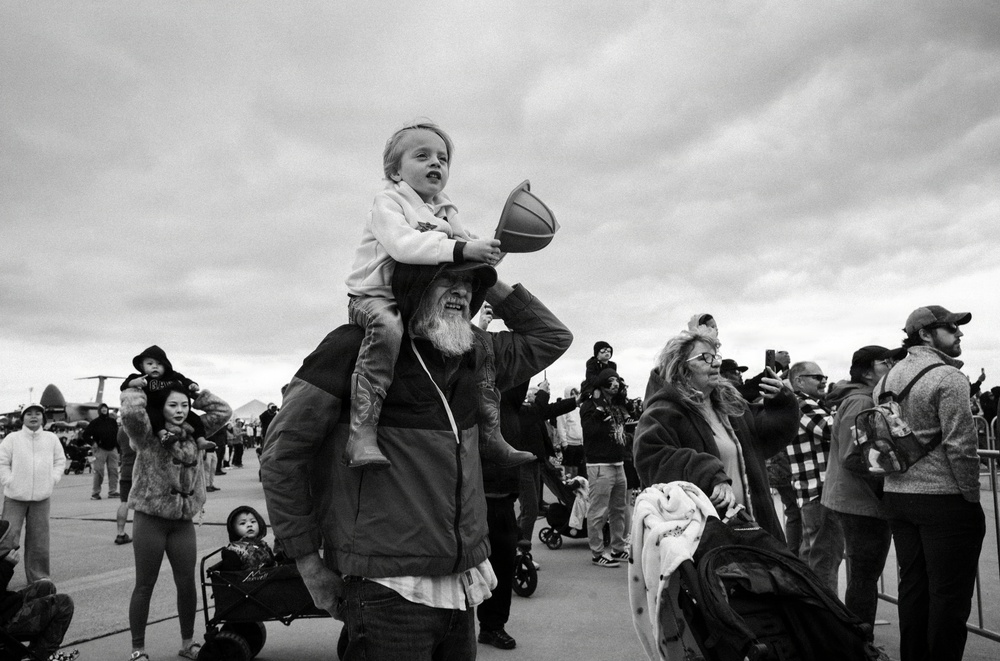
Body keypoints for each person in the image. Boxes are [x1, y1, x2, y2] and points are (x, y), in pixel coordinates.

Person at [261, 259, 571, 661]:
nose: (461, 291)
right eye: (447, 279)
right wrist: (306, 561)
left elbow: (552, 336)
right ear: (411, 286)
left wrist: (483, 271)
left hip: (461, 583)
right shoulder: (352, 347)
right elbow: (282, 456)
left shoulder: (475, 353)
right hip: (385, 588)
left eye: (468, 285)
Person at [342, 119, 531, 472]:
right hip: (374, 298)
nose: (436, 164)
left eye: (442, 159)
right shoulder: (389, 202)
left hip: (417, 299)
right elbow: (404, 246)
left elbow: (464, 244)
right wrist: (463, 249)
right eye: (422, 156)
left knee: (481, 344)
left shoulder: (444, 209)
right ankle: (362, 430)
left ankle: (491, 433)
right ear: (395, 171)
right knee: (387, 329)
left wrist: (493, 248)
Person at [878, 306, 985, 661]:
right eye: (951, 328)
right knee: (950, 597)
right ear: (925, 334)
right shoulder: (949, 377)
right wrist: (971, 496)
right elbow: (960, 445)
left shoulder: (888, 378)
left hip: (897, 495)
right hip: (944, 499)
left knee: (914, 588)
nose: (959, 334)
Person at [633, 331, 798, 541]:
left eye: (715, 356)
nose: (716, 363)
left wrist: (781, 402)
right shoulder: (664, 410)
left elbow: (768, 434)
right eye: (705, 358)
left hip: (754, 528)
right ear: (682, 368)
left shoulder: (732, 406)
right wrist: (708, 473)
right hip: (704, 537)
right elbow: (651, 457)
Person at [121, 384, 230, 661]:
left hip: (183, 521)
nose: (180, 411)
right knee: (145, 584)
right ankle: (138, 649)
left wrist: (191, 390)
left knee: (187, 583)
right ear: (161, 406)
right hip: (151, 519)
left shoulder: (196, 430)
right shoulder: (147, 432)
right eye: (172, 405)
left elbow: (222, 410)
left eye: (184, 405)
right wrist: (136, 388)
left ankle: (187, 642)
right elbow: (132, 415)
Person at [823, 345, 902, 655]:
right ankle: (859, 644)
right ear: (869, 371)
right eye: (886, 362)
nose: (892, 366)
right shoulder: (861, 401)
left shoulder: (860, 398)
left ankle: (855, 640)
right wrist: (891, 475)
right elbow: (855, 457)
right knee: (865, 578)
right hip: (860, 502)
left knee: (862, 575)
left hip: (853, 499)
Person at [786, 361, 844, 592]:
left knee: (811, 556)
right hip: (821, 491)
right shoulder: (803, 403)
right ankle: (829, 619)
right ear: (799, 381)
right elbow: (834, 429)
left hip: (812, 490)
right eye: (816, 377)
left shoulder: (802, 404)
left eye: (824, 377)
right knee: (825, 560)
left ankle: (811, 615)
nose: (823, 381)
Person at [0, 404, 66, 583]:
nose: (33, 416)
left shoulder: (51, 438)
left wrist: (52, 478)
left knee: (39, 540)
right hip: (15, 497)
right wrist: (9, 480)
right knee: (7, 538)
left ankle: (39, 577)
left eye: (37, 413)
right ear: (23, 419)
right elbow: (2, 462)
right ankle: (1, 577)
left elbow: (60, 461)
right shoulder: (12, 438)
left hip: (41, 498)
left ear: (43, 418)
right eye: (29, 414)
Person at [580, 368, 637, 567]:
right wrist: (598, 412)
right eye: (610, 382)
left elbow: (630, 425)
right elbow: (588, 431)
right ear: (601, 385)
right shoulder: (590, 406)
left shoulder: (618, 406)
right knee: (598, 511)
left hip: (618, 463)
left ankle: (618, 548)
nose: (615, 385)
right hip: (599, 465)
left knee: (618, 509)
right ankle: (597, 553)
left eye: (617, 381)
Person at [0, 521, 75, 661]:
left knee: (46, 586)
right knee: (64, 604)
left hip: (5, 607)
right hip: (3, 621)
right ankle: (38, 657)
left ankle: (36, 651)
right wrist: (6, 565)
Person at [120, 346, 208, 447]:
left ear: (166, 365)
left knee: (195, 418)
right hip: (152, 406)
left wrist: (192, 385)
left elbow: (185, 380)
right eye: (150, 363)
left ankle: (201, 440)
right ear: (142, 366)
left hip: (173, 407)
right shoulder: (139, 377)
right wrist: (135, 382)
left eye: (159, 364)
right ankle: (164, 435)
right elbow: (124, 386)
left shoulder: (172, 376)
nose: (155, 367)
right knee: (153, 415)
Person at [219, 506, 278, 572]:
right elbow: (232, 576)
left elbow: (273, 563)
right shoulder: (233, 551)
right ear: (233, 529)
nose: (249, 525)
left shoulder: (262, 544)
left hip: (268, 576)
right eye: (242, 523)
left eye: (253, 522)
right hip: (250, 580)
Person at [81, 403, 120, 500]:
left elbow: (117, 435)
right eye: (102, 408)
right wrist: (93, 443)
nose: (104, 410)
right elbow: (85, 435)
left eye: (105, 408)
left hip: (113, 449)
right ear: (99, 410)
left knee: (114, 471)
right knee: (99, 471)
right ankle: (95, 493)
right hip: (100, 449)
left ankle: (113, 491)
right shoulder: (95, 422)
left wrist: (118, 448)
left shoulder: (113, 422)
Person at [554, 386, 585, 478]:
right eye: (571, 394)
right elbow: (561, 426)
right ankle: (568, 487)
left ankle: (576, 489)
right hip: (569, 444)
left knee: (576, 469)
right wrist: (564, 442)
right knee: (569, 470)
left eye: (575, 393)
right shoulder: (563, 409)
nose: (574, 395)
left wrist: (583, 441)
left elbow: (581, 426)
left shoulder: (579, 410)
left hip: (579, 443)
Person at [115, 421, 136, 545]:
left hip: (126, 470)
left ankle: (120, 533)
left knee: (124, 502)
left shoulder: (121, 430)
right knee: (142, 507)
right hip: (139, 470)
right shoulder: (140, 427)